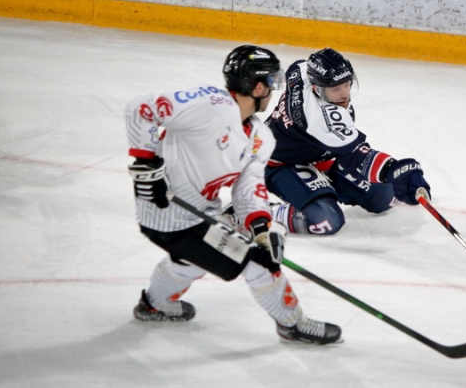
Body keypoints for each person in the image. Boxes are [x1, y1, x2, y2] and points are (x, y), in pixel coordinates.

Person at [124, 45, 341, 345]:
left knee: (193, 259)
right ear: (258, 87)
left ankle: (154, 304)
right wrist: (146, 165)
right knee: (259, 264)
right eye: (272, 82)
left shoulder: (260, 136)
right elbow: (140, 108)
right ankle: (292, 324)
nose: (273, 91)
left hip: (200, 214)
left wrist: (260, 227)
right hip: (167, 210)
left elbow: (248, 187)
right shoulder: (208, 104)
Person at [265, 47, 431, 235]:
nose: (344, 94)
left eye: (346, 84)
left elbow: (298, 67)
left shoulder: (301, 72)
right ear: (317, 89)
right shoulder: (317, 118)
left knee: (383, 197)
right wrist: (394, 169)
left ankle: (324, 184)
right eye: (336, 89)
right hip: (277, 163)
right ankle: (257, 212)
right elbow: (355, 156)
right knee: (326, 219)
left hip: (315, 154)